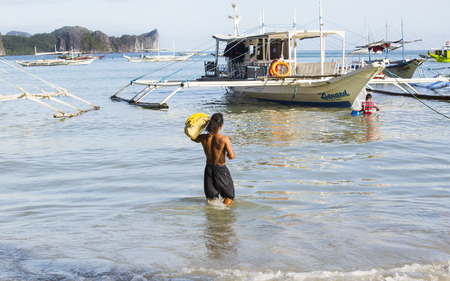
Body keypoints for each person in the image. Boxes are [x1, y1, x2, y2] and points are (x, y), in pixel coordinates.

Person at [193, 113, 236, 206]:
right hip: (221, 169)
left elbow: (193, 137)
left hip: (208, 169)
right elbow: (231, 156)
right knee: (229, 196)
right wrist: (230, 154)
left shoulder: (203, 137)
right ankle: (223, 211)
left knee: (212, 198)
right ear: (221, 125)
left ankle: (213, 217)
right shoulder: (224, 139)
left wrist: (201, 126)